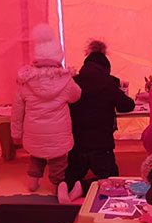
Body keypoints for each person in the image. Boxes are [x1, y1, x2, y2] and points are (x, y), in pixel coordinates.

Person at [62, 40, 136, 202]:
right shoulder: (108, 83)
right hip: (101, 147)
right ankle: (84, 187)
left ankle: (64, 185)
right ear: (106, 68)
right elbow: (127, 105)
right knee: (112, 178)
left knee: (71, 174)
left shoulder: (73, 82)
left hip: (76, 145)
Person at [11, 23, 81, 192]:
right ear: (58, 58)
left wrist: (16, 134)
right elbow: (76, 96)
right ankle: (58, 186)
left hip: (34, 132)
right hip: (58, 132)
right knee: (58, 161)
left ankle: (33, 182)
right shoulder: (65, 80)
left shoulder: (26, 81)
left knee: (37, 156)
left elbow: (17, 111)